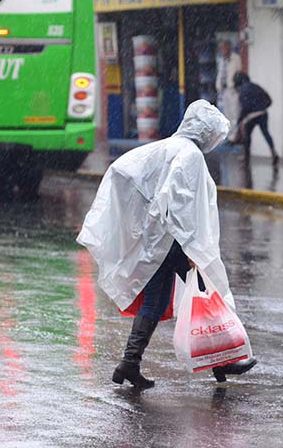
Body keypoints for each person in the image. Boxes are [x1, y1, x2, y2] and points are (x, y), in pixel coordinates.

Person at [77, 100, 257, 389]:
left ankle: (129, 364)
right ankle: (223, 360)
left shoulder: (166, 147)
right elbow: (179, 201)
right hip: (173, 241)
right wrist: (189, 247)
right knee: (210, 291)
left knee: (157, 299)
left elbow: (134, 175)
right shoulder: (190, 155)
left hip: (158, 240)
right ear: (206, 131)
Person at [232, 72, 278, 165]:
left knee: (247, 136)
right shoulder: (256, 87)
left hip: (251, 116)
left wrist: (239, 121)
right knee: (266, 133)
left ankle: (246, 157)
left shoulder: (243, 91)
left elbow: (244, 108)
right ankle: (273, 152)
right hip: (263, 113)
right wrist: (262, 107)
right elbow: (269, 100)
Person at [216, 40, 243, 138]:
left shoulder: (235, 58)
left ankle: (235, 136)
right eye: (222, 48)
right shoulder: (221, 59)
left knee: (234, 113)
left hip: (233, 89)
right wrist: (218, 85)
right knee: (226, 114)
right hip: (223, 90)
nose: (223, 50)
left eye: (224, 47)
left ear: (229, 48)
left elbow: (239, 73)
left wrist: (237, 86)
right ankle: (229, 136)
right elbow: (220, 73)